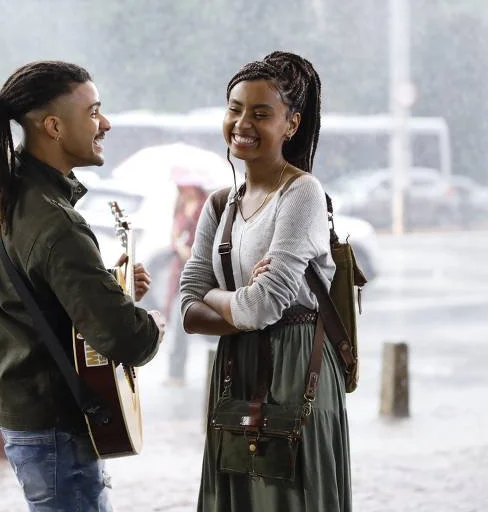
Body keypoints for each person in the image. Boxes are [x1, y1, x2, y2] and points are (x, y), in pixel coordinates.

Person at [0, 61, 166, 511]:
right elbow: (124, 338)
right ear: (53, 127)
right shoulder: (56, 223)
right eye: (93, 112)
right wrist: (151, 322)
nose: (105, 123)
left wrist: (108, 289)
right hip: (56, 423)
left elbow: (28, 295)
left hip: (22, 409)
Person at [180, 51, 352, 511]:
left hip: (297, 368)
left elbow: (260, 307)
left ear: (291, 124)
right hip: (235, 367)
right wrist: (241, 302)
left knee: (289, 497)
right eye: (235, 109)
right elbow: (188, 310)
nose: (242, 124)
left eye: (260, 113)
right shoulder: (220, 204)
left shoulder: (303, 193)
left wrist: (216, 295)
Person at [164, 184, 210, 387]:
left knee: (205, 329)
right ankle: (176, 374)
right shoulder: (180, 205)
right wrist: (176, 242)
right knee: (178, 325)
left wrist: (188, 251)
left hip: (201, 274)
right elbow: (174, 238)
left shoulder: (206, 205)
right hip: (180, 275)